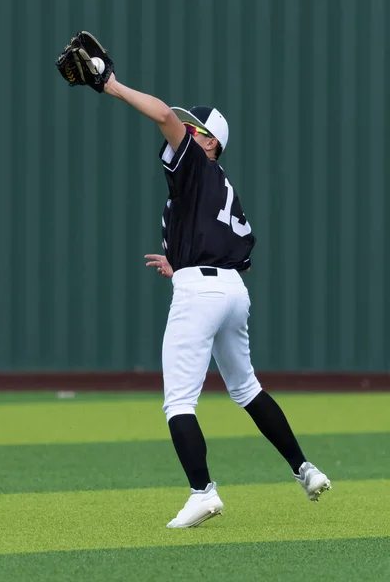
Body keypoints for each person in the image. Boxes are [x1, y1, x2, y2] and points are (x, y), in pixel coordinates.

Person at [103, 73, 331, 529]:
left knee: (179, 402)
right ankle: (306, 469)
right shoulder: (216, 185)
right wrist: (180, 261)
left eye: (197, 130)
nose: (186, 131)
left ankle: (202, 493)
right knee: (246, 388)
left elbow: (164, 114)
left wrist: (111, 85)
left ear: (210, 145)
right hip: (231, 291)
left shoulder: (196, 166)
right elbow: (240, 253)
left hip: (201, 292)